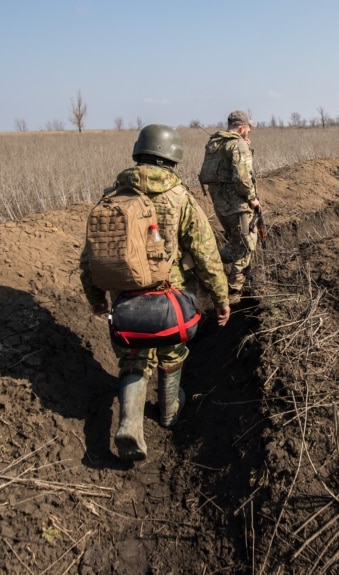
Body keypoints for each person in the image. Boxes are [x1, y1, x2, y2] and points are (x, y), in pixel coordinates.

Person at [80, 124, 231, 461]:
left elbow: (90, 259)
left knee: (133, 359)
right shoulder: (181, 199)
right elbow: (207, 255)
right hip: (170, 303)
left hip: (125, 303)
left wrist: (97, 300)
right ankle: (168, 413)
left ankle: (130, 424)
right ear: (173, 158)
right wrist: (221, 300)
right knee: (172, 355)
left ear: (138, 153)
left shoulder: (113, 197)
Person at [200, 109, 261, 303]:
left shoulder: (215, 144)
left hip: (222, 207)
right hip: (239, 207)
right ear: (242, 128)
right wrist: (252, 198)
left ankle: (205, 267)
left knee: (236, 244)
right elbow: (242, 177)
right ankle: (233, 295)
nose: (249, 132)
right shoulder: (237, 145)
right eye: (248, 129)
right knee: (245, 247)